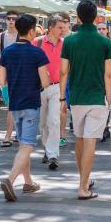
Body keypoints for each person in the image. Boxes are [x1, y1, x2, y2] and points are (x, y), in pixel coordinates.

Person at [60, 0, 111, 200]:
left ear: (78, 17)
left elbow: (63, 71)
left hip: (77, 97)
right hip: (97, 96)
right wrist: (109, 98)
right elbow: (108, 75)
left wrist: (63, 96)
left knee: (80, 139)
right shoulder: (105, 42)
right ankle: (83, 187)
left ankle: (84, 180)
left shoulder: (69, 42)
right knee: (90, 141)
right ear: (97, 18)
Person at [0, 14, 51, 201]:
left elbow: (2, 81)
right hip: (31, 103)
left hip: (15, 104)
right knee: (28, 144)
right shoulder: (38, 53)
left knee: (22, 144)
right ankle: (10, 180)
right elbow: (45, 81)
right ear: (31, 31)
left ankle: (28, 182)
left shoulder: (7, 52)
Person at [33, 14, 67, 170]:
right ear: (51, 28)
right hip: (39, 87)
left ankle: (53, 154)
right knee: (42, 123)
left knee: (54, 120)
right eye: (60, 27)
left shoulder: (65, 44)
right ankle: (47, 148)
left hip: (57, 87)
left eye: (64, 27)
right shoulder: (37, 43)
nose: (63, 30)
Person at [0, 11, 20, 147]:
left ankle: (9, 135)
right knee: (11, 105)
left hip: (20, 74)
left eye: (13, 19)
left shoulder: (22, 35)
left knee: (13, 105)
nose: (11, 21)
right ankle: (15, 132)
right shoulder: (1, 36)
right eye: (8, 18)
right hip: (5, 74)